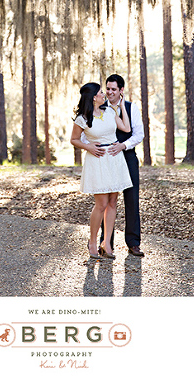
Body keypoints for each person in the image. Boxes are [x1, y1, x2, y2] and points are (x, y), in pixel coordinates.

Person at [82, 74, 145, 257]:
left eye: (113, 89)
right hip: (105, 158)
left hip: (127, 156)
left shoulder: (131, 108)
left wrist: (123, 146)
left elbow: (138, 134)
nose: (109, 92)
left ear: (121, 91)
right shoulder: (98, 108)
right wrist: (93, 147)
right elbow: (86, 134)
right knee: (107, 202)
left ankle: (133, 243)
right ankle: (105, 242)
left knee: (131, 200)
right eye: (107, 89)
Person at [70, 82, 133, 260]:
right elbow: (74, 139)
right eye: (99, 92)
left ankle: (107, 243)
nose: (103, 94)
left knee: (113, 202)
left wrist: (121, 106)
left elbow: (126, 129)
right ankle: (92, 242)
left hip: (114, 159)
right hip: (97, 159)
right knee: (102, 204)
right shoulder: (82, 118)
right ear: (92, 97)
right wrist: (88, 146)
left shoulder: (110, 111)